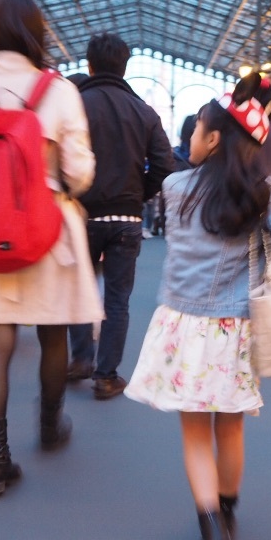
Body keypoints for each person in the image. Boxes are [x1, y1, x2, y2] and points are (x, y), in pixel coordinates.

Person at [124, 83, 271, 540]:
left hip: (181, 323)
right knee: (230, 427)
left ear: (213, 139)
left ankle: (211, 527)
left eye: (196, 129)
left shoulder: (176, 187)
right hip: (233, 327)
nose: (191, 136)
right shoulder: (263, 194)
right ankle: (229, 513)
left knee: (195, 434)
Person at [0, 0, 102, 496]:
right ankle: (50, 427)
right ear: (37, 32)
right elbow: (80, 172)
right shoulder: (59, 91)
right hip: (45, 226)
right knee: (53, 332)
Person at [65, 32, 175, 398]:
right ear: (125, 67)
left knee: (79, 290)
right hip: (126, 220)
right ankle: (106, 376)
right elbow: (164, 165)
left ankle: (81, 358)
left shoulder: (76, 105)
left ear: (90, 65)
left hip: (81, 213)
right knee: (117, 299)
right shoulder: (144, 111)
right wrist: (137, 195)